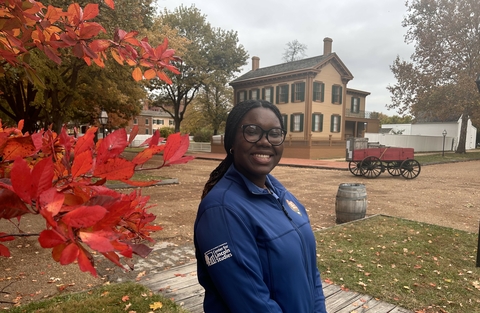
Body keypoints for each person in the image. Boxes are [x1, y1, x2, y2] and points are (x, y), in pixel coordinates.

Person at [194, 99, 328, 312]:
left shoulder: (282, 194)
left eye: (274, 133)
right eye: (253, 131)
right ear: (231, 141)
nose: (265, 141)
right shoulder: (221, 211)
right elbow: (253, 304)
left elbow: (311, 272)